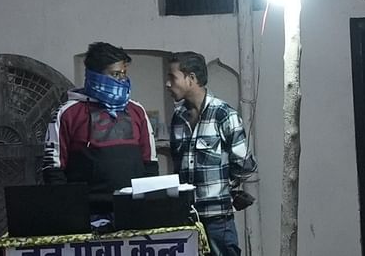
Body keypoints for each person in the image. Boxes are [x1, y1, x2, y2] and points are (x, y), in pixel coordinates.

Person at [42, 42, 158, 212]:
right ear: (96, 76)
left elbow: (150, 162)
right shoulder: (67, 113)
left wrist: (148, 206)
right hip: (86, 213)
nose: (122, 80)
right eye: (115, 74)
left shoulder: (137, 111)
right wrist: (68, 211)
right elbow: (53, 170)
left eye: (124, 74)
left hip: (134, 210)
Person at [166, 51, 258, 256]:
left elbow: (245, 166)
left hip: (217, 222)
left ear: (191, 78)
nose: (168, 83)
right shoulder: (178, 118)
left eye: (172, 77)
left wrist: (226, 189)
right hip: (185, 221)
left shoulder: (224, 115)